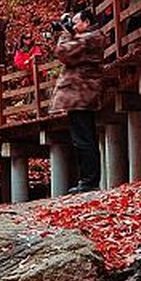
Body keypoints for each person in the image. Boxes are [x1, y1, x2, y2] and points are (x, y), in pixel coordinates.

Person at [50, 10, 108, 193]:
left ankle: (89, 181)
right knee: (82, 138)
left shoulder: (90, 38)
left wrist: (66, 33)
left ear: (86, 21)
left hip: (82, 93)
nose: (73, 26)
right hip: (81, 93)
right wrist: (69, 33)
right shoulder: (88, 38)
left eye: (76, 23)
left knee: (84, 139)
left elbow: (62, 53)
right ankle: (87, 180)